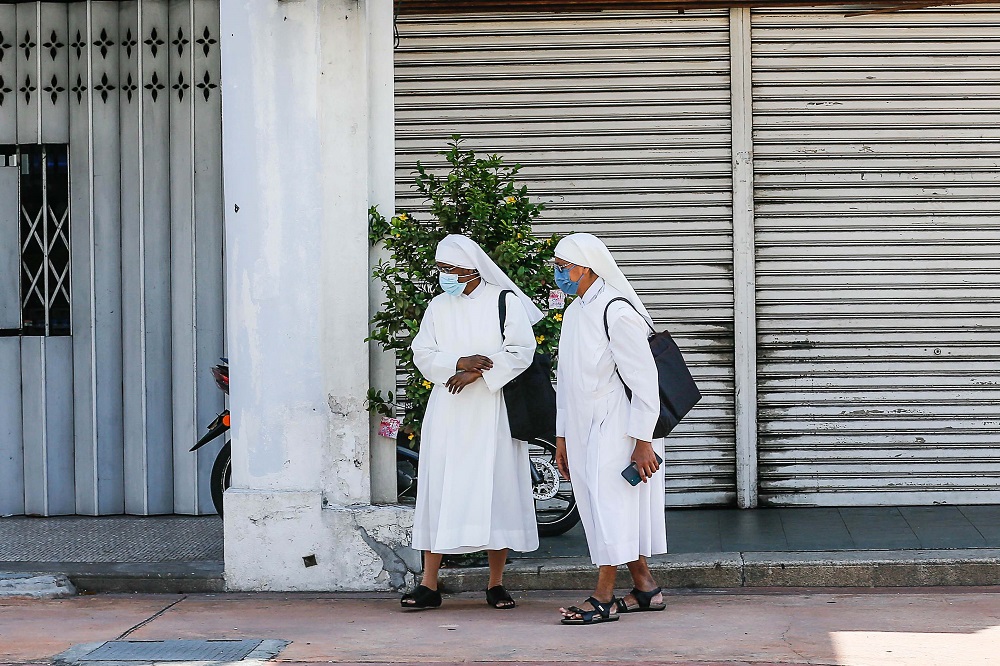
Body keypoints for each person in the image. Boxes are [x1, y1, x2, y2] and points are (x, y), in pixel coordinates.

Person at [401, 234, 543, 611]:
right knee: (441, 491)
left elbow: (521, 352)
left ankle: (496, 584)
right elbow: (422, 352)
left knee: (496, 490)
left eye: (450, 269)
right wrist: (459, 364)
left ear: (471, 269)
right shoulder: (437, 305)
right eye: (440, 269)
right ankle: (428, 584)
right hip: (449, 411)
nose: (444, 276)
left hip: (494, 412)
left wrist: (479, 374)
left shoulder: (504, 301)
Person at [551, 233, 667, 625]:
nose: (558, 273)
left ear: (586, 268)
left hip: (620, 426)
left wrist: (643, 442)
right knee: (599, 506)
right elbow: (565, 380)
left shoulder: (616, 311)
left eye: (563, 266)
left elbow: (645, 382)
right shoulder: (574, 312)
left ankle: (603, 596)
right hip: (583, 428)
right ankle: (646, 588)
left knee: (611, 507)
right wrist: (562, 436)